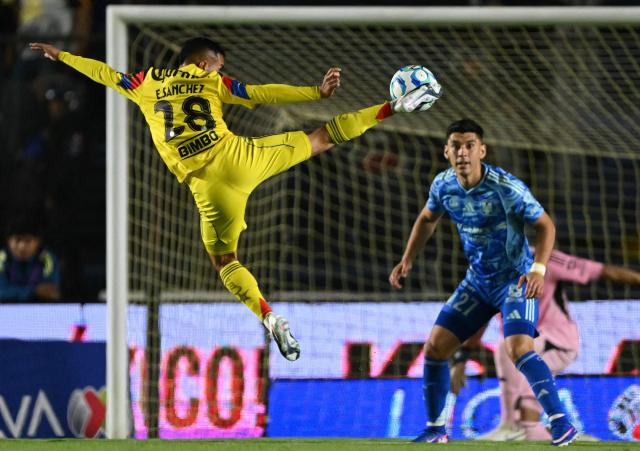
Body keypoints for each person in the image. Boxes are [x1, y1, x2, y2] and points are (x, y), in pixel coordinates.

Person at [30, 38, 440, 361]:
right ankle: (389, 108)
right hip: (240, 159)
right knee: (320, 138)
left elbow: (104, 73)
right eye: (220, 64)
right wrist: (315, 92)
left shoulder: (147, 82)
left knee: (225, 261)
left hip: (205, 186)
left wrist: (61, 54)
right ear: (206, 62)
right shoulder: (212, 82)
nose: (220, 69)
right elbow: (261, 94)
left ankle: (268, 315)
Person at [389, 118, 578, 446]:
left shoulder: (507, 188)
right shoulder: (443, 185)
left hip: (514, 281)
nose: (463, 152)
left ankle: (561, 422)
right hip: (477, 283)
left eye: (470, 145)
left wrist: (539, 269)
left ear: (482, 150)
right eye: (456, 146)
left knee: (518, 350)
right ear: (446, 151)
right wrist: (407, 259)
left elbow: (546, 225)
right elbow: (426, 218)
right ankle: (436, 429)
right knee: (434, 348)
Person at [448, 248, 640, 441]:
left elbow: (603, 271)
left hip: (558, 341)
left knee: (521, 353)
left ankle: (528, 427)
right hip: (523, 342)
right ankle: (512, 426)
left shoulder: (545, 259)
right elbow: (480, 317)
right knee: (507, 348)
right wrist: (462, 357)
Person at [0, 216, 60, 301]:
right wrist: (33, 291)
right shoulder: (1, 258)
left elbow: (51, 293)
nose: (22, 246)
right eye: (17, 240)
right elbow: (1, 293)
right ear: (8, 241)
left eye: (28, 241)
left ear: (37, 242)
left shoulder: (48, 258)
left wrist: (12, 292)